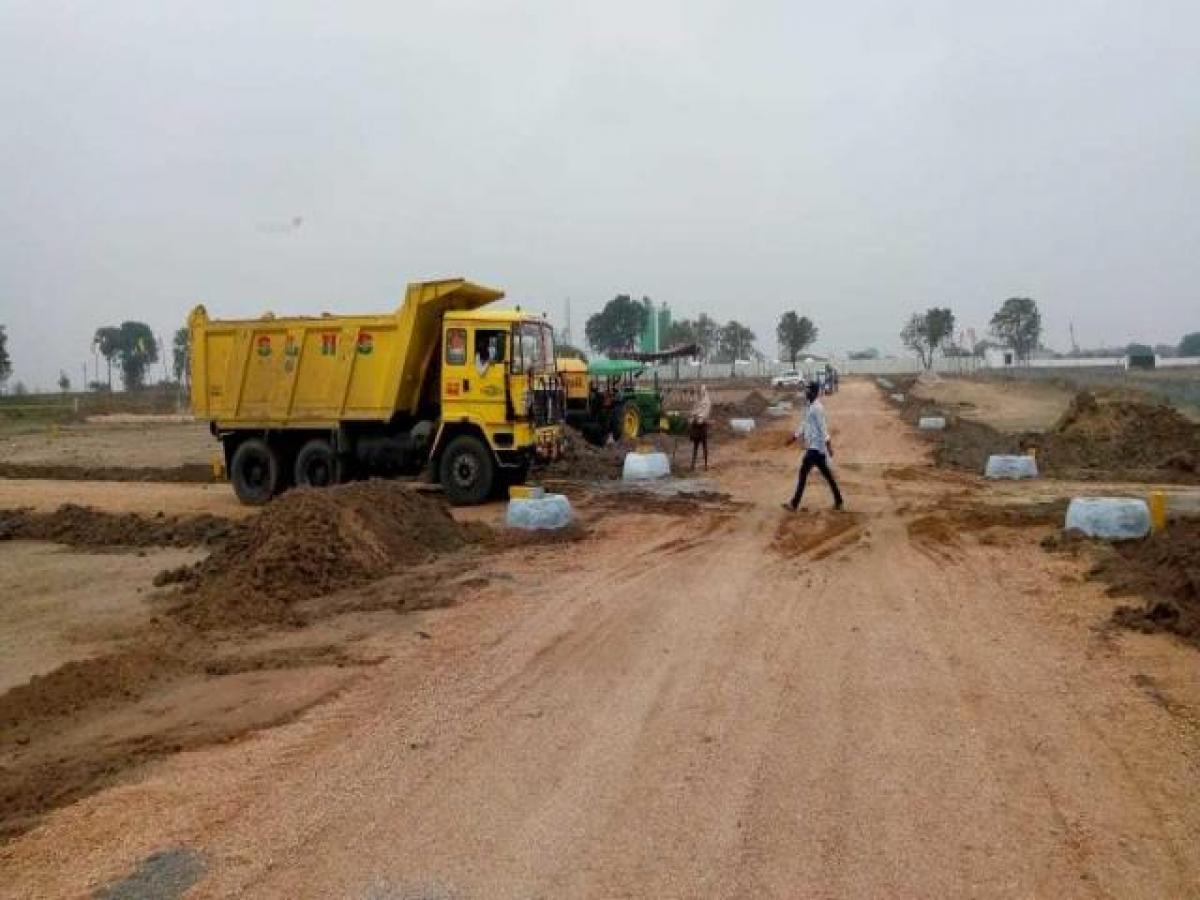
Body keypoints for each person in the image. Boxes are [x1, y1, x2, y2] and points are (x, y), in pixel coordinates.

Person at [783, 381, 844, 511]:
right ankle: (839, 500)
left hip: (816, 448)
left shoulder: (817, 408)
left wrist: (829, 446)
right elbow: (804, 424)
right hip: (814, 448)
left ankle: (794, 504)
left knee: (803, 472)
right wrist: (794, 437)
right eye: (806, 390)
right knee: (827, 475)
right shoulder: (809, 406)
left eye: (809, 390)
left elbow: (823, 428)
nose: (806, 392)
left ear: (815, 392)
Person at [690, 384, 711, 471]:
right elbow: (693, 410)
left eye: (702, 391)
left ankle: (705, 465)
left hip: (702, 426)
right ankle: (693, 465)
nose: (700, 393)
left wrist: (698, 415)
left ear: (704, 391)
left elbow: (705, 413)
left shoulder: (707, 401)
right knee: (695, 446)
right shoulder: (697, 400)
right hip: (696, 425)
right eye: (700, 391)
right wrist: (694, 416)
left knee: (704, 446)